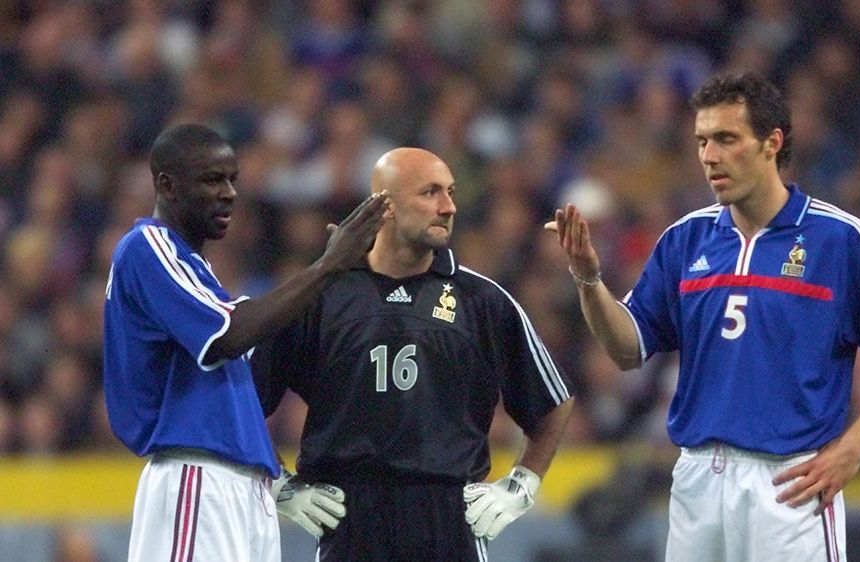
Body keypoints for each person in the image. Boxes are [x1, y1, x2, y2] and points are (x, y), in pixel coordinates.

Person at [547, 71, 860, 561]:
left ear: (771, 143)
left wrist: (854, 446)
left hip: (789, 484)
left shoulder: (839, 239)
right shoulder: (685, 238)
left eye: (726, 139)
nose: (709, 156)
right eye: (702, 141)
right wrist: (588, 278)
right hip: (696, 478)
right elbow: (628, 349)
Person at [251, 147, 575, 561]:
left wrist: (521, 486)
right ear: (384, 206)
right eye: (430, 193)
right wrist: (280, 483)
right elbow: (243, 400)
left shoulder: (482, 299)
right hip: (349, 517)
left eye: (451, 192)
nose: (449, 206)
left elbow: (553, 403)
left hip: (449, 518)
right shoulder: (321, 295)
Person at [103, 123, 388, 561]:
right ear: (167, 185)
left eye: (233, 179)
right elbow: (229, 336)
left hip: (240, 489)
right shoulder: (147, 246)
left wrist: (273, 475)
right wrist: (329, 265)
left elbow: (230, 387)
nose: (230, 192)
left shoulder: (196, 269)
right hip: (196, 479)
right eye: (212, 179)